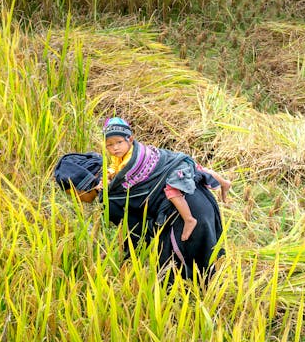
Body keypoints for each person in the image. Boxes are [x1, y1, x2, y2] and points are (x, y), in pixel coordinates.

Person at [54, 119, 227, 281]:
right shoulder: (117, 173)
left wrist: (118, 258)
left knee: (179, 284)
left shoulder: (111, 196)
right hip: (198, 195)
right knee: (208, 271)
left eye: (74, 194)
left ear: (81, 187)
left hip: (183, 216)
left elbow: (137, 233)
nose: (78, 201)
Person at [103, 117, 231, 241]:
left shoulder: (133, 158)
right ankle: (224, 183)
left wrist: (111, 184)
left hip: (171, 168)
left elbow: (125, 174)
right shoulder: (119, 155)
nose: (115, 148)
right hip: (170, 161)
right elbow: (115, 167)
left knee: (172, 191)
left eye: (119, 142)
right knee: (200, 169)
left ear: (130, 139)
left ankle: (189, 219)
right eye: (109, 145)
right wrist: (108, 175)